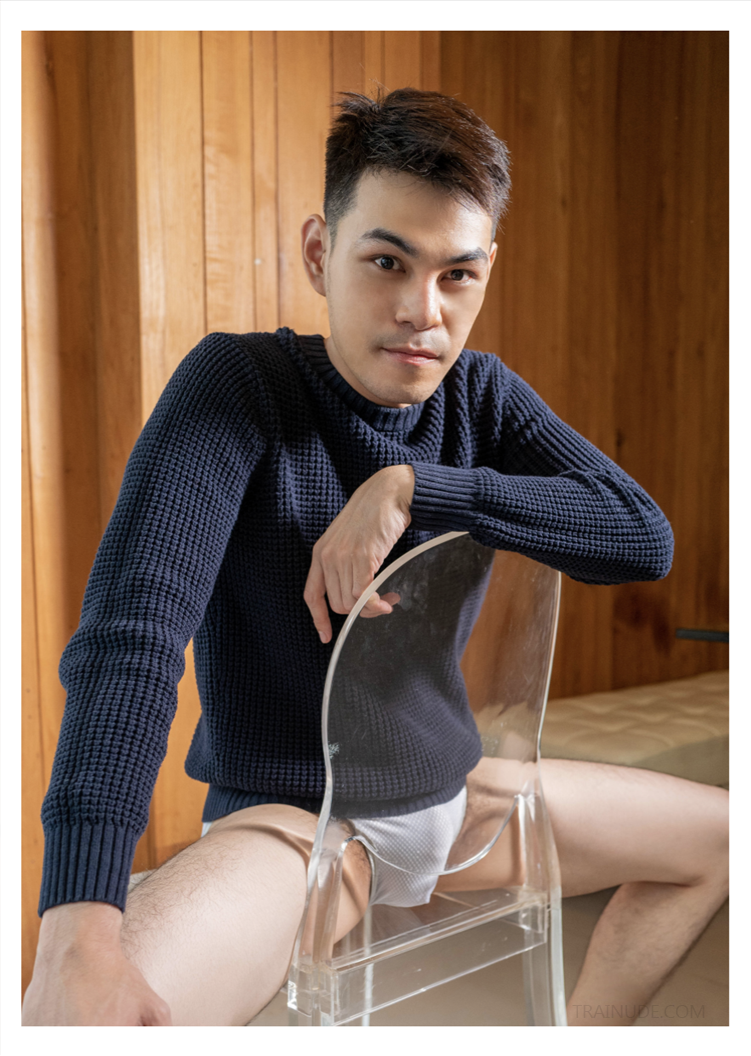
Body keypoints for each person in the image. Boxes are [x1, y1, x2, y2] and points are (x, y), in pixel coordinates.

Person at [22, 89, 728, 1027]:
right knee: (91, 1023)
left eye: (456, 275)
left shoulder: (480, 395)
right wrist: (77, 928)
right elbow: (131, 639)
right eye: (387, 261)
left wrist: (410, 486)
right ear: (320, 253)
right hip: (297, 824)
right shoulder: (240, 385)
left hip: (463, 801)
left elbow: (638, 533)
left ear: (485, 272)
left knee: (724, 839)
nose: (420, 311)